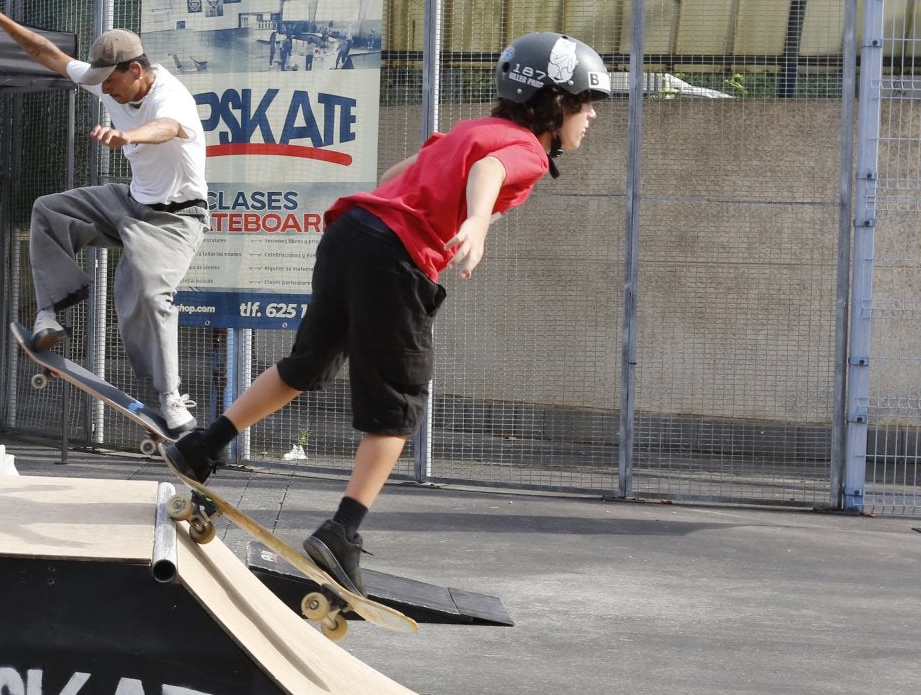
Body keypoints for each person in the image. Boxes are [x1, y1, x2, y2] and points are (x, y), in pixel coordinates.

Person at [163, 32, 611, 595]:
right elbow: (490, 173)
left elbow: (407, 168)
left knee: (307, 364)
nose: (591, 116)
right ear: (554, 102)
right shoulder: (522, 146)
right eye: (585, 102)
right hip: (395, 259)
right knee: (397, 405)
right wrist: (474, 222)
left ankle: (202, 447)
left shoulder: (473, 128)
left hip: (350, 234)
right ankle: (342, 534)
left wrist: (422, 207)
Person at [0, 0, 208, 435]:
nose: (105, 92)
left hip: (175, 219)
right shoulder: (109, 84)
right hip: (130, 202)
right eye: (101, 84)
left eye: (112, 82)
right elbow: (46, 55)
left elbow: (167, 128)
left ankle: (172, 400)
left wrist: (127, 136)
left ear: (137, 70)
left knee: (149, 298)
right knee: (49, 210)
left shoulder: (172, 97)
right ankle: (50, 314)